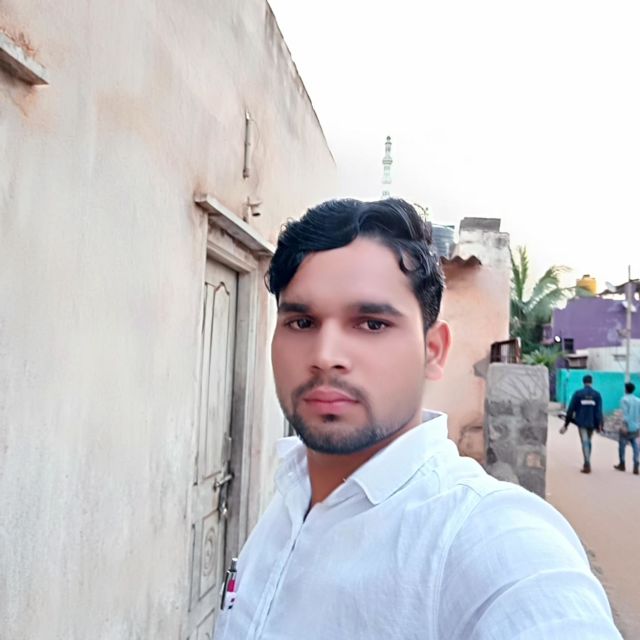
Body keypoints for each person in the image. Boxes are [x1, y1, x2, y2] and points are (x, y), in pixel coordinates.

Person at [214, 198, 620, 639]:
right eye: (302, 322)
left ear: (433, 351)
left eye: (372, 324)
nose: (325, 356)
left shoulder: (486, 538)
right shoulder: (288, 496)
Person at [560, 374, 603, 473]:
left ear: (583, 382)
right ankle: (587, 461)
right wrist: (600, 425)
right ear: (591, 382)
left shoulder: (578, 394)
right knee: (588, 441)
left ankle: (587, 463)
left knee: (584, 441)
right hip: (592, 423)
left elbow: (571, 410)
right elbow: (599, 411)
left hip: (581, 422)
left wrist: (566, 425)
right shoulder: (597, 395)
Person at [614, 382, 640, 474]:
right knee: (635, 445)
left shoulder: (624, 399)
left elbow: (625, 414)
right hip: (636, 426)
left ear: (625, 389)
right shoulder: (638, 400)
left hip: (626, 426)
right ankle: (636, 464)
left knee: (622, 445)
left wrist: (624, 425)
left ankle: (622, 464)